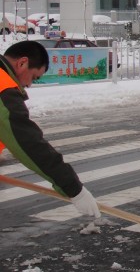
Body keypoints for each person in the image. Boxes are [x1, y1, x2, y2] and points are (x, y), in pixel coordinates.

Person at [0, 41, 100, 219]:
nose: (29, 85)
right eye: (34, 77)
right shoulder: (4, 89)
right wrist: (74, 189)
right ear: (22, 63)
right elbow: (29, 144)